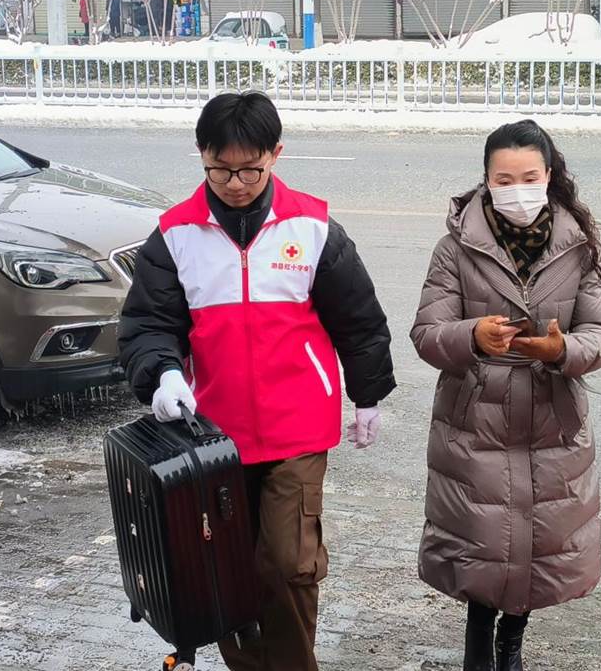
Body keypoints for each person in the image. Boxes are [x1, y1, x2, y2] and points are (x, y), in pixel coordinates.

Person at [118, 91, 396, 671]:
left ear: (276, 155)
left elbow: (359, 318)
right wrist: (163, 373)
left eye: (251, 169)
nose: (237, 183)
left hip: (298, 426)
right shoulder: (175, 236)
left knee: (286, 564)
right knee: (227, 569)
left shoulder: (313, 228)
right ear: (202, 157)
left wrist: (367, 394)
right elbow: (147, 324)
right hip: (213, 436)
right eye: (220, 169)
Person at [410, 119, 601, 671]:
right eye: (505, 179)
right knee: (484, 537)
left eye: (530, 177)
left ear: (549, 176)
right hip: (476, 420)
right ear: (486, 180)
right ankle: (479, 641)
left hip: (552, 420)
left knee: (535, 540)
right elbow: (427, 335)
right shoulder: (454, 247)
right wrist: (472, 337)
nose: (518, 190)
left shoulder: (577, 245)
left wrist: (561, 351)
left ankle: (513, 641)